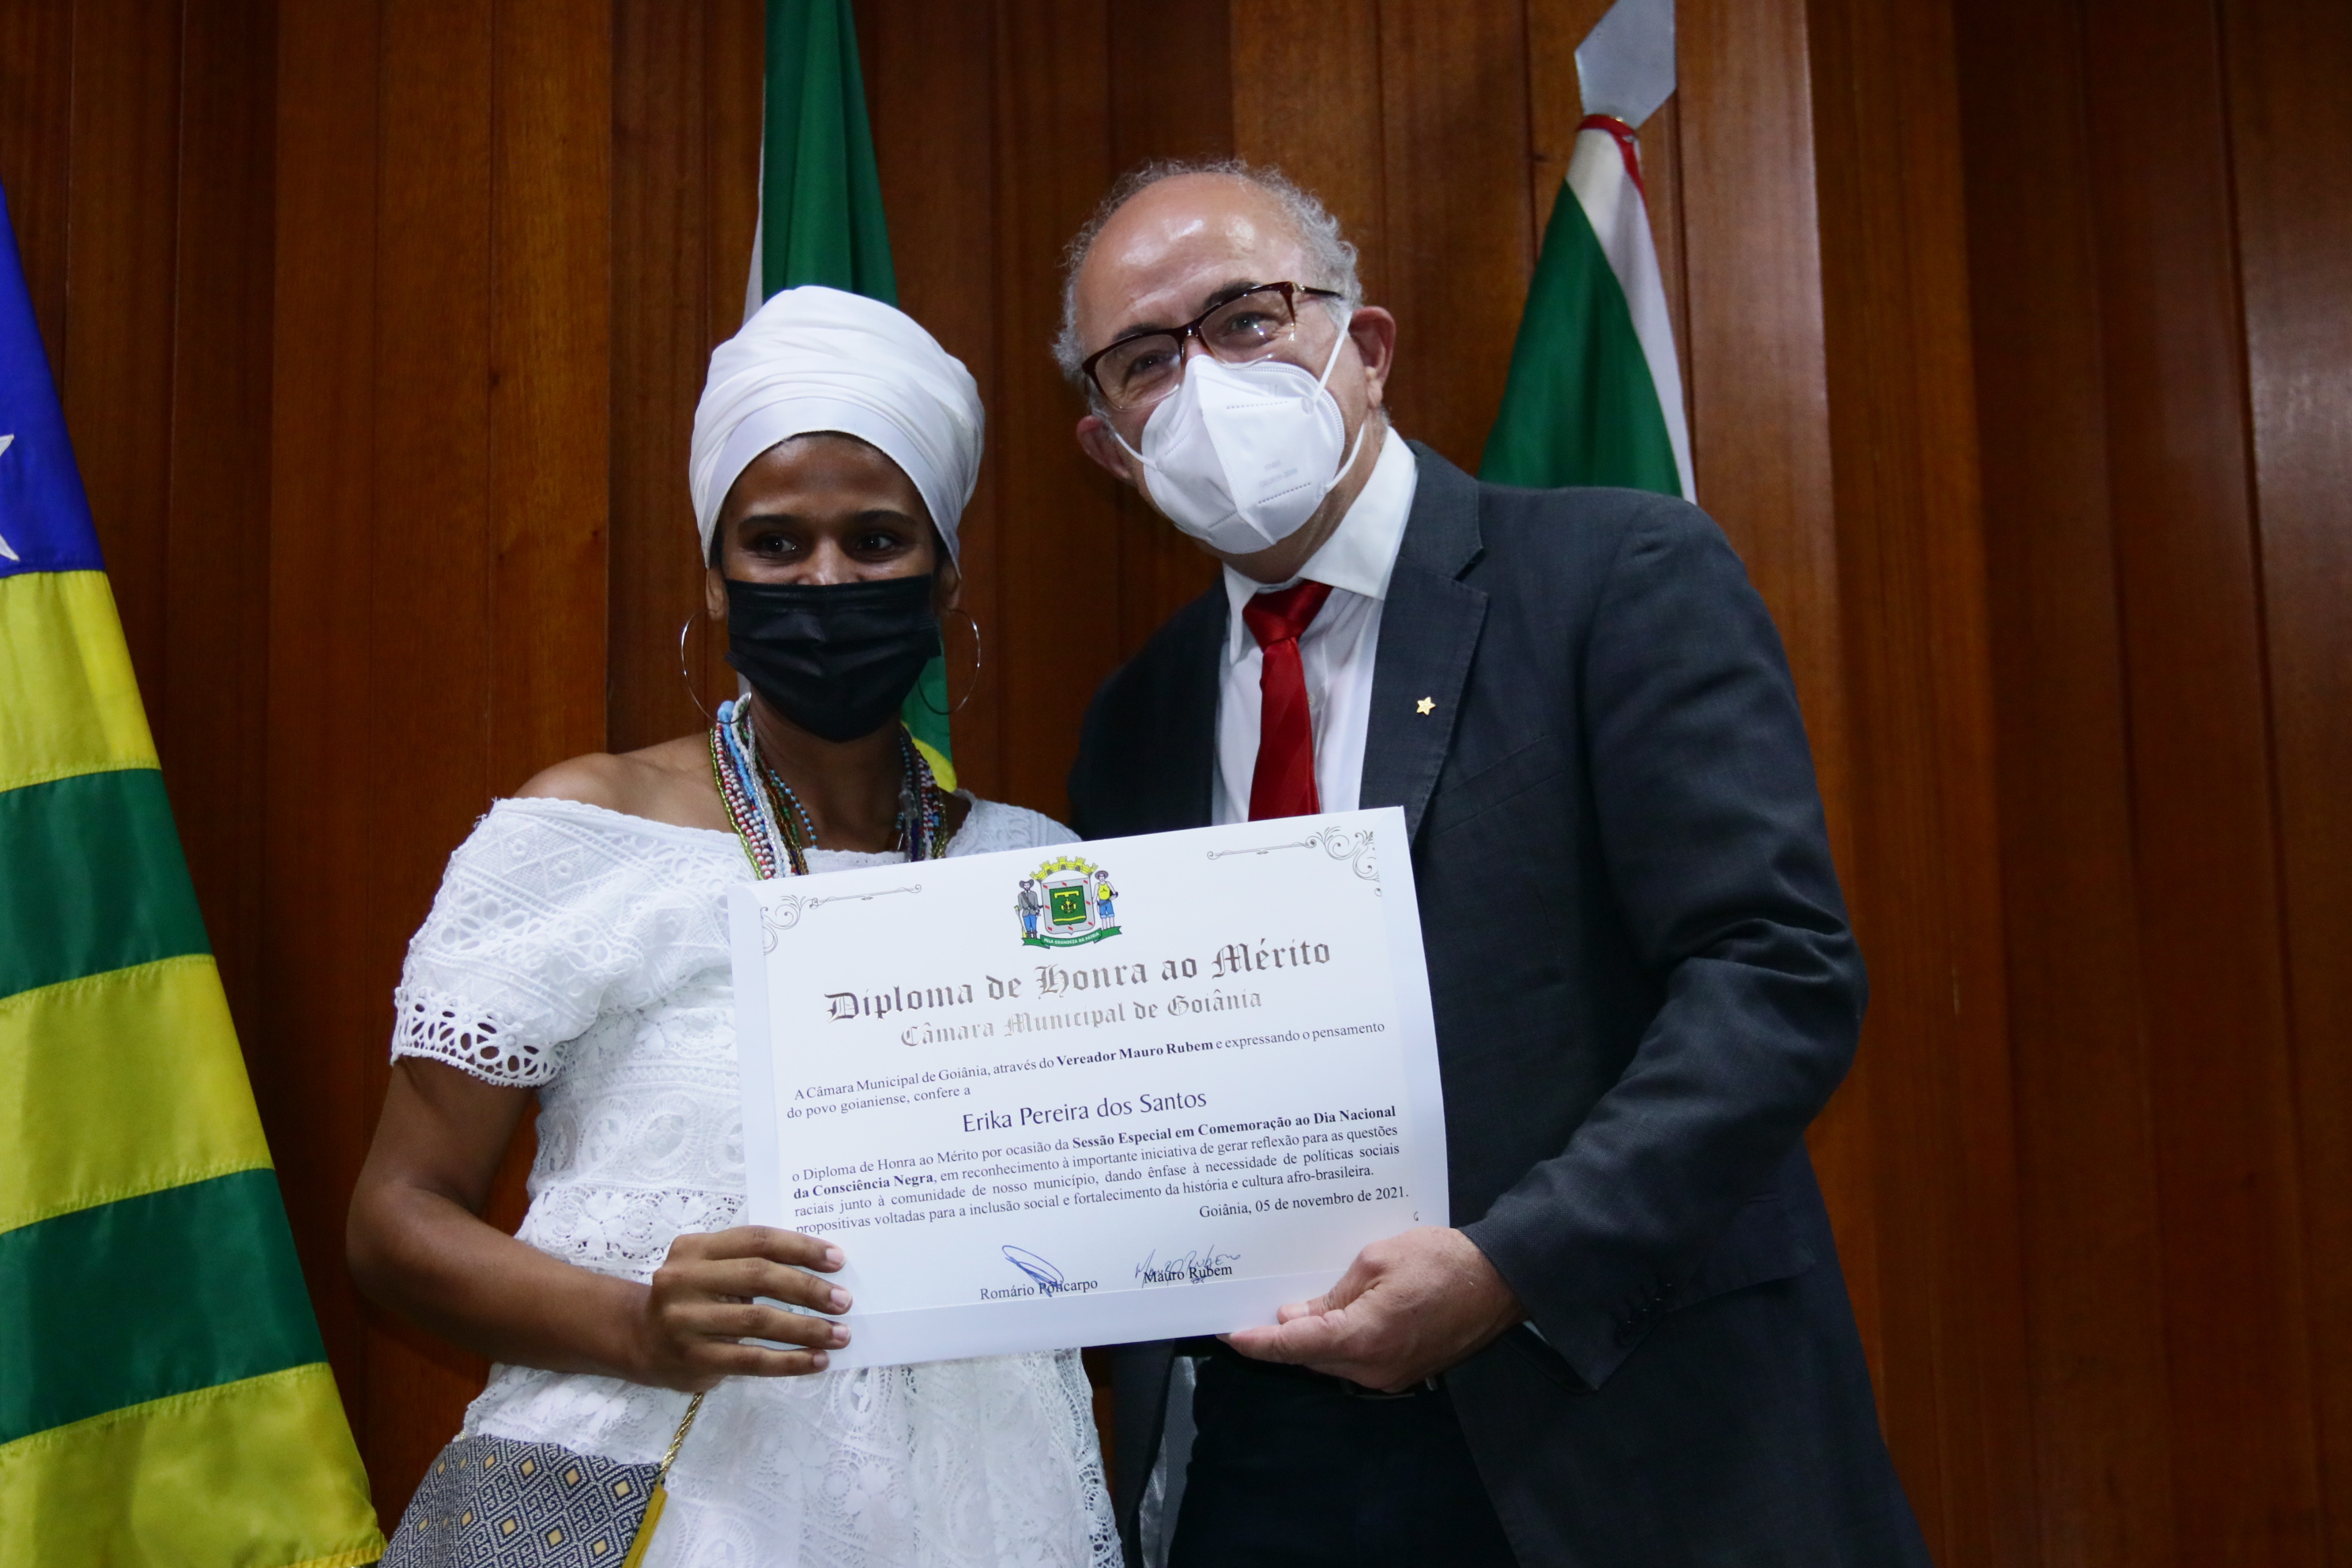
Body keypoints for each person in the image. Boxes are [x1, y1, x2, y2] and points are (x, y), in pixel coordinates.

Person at [1060, 162, 1930, 1567]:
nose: (1206, 379)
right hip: (1271, 1465)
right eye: (1146, 360)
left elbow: (1774, 974)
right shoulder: (1135, 720)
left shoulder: (1615, 574)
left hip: (1618, 1433)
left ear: (1366, 347)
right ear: (1112, 448)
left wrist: (1508, 1266)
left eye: (1245, 319)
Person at [349, 286, 1116, 1566]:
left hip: (977, 1502)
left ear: (944, 577)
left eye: (877, 540)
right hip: (631, 1484)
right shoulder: (586, 831)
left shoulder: (1036, 870)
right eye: (775, 543)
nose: (827, 578)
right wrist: (637, 1324)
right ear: (714, 583)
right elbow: (395, 1217)